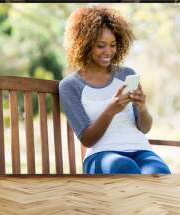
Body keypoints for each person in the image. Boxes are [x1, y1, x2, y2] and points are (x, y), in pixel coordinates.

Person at [60, 6, 171, 174]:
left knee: (159, 172)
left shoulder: (126, 74)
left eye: (113, 45)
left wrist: (142, 108)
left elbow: (145, 128)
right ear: (84, 45)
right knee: (125, 168)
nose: (109, 51)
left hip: (140, 149)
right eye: (101, 46)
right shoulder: (70, 85)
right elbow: (87, 140)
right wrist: (111, 110)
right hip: (101, 154)